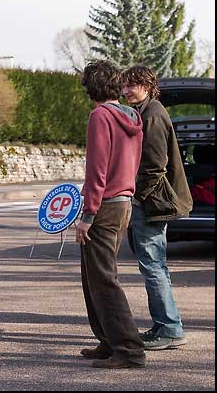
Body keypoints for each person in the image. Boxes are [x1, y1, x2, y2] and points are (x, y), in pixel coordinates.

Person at [75, 60, 146, 369]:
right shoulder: (131, 116)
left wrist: (87, 216)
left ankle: (129, 349)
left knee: (103, 279)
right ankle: (108, 340)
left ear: (91, 87)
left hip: (104, 206)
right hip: (124, 202)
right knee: (95, 275)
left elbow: (97, 170)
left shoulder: (100, 117)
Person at [121, 65, 192, 350]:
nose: (126, 91)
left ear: (148, 85)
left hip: (151, 203)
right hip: (151, 201)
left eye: (132, 85)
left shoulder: (152, 115)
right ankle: (165, 324)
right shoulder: (148, 111)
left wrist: (134, 197)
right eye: (124, 86)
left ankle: (170, 329)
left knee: (152, 266)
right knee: (155, 265)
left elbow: (154, 168)